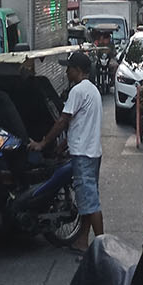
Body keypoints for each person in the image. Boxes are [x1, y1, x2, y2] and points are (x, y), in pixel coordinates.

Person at [31, 50, 103, 255]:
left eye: (69, 68)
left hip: (84, 156)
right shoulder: (93, 91)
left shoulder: (78, 91)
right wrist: (61, 147)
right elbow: (79, 125)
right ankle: (82, 241)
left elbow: (63, 120)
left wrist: (43, 143)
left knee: (91, 202)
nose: (66, 72)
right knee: (87, 201)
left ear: (78, 70)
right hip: (91, 153)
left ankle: (102, 248)